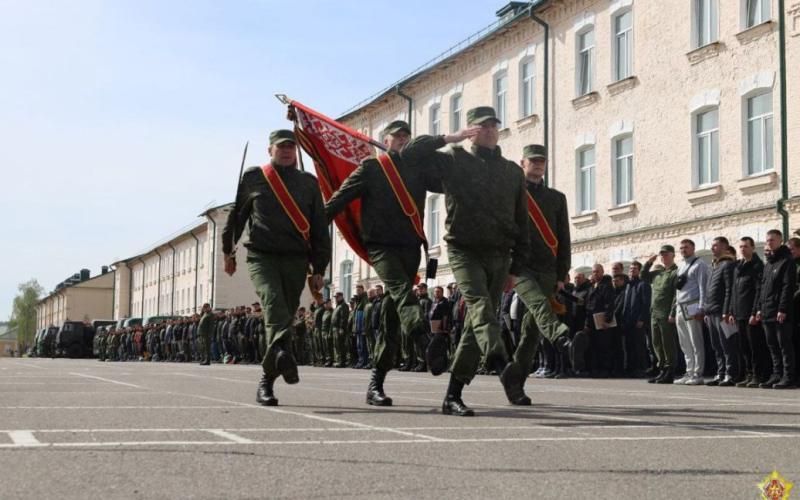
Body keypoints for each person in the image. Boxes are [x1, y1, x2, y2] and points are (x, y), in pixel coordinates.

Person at [401, 106, 531, 416]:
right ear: (470, 130)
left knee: (475, 327)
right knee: (481, 309)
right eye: (481, 126)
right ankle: (502, 365)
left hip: (500, 255)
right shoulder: (454, 160)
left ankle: (452, 396)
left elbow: (522, 222)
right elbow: (408, 156)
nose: (489, 130)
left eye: (493, 126)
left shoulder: (512, 171)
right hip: (464, 250)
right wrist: (448, 138)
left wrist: (516, 266)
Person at [325, 120, 445, 405]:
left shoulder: (417, 169)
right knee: (404, 294)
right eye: (398, 136)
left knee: (392, 318)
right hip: (381, 247)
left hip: (410, 247)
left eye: (407, 136)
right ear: (386, 140)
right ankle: (425, 339)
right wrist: (313, 229)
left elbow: (448, 182)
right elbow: (340, 198)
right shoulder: (372, 168)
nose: (403, 140)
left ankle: (375, 384)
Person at [222, 129, 330, 406]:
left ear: (295, 152)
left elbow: (319, 227)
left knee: (284, 316)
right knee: (272, 303)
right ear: (270, 150)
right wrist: (227, 251)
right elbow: (237, 216)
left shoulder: (308, 183)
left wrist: (319, 267)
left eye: (291, 147)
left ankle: (267, 380)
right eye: (280, 147)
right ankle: (282, 352)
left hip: (296, 259)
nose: (286, 151)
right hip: (262, 256)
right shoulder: (255, 177)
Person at [510, 144, 576, 403]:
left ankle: (515, 383)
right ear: (523, 163)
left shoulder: (556, 198)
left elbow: (564, 238)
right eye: (533, 160)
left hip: (548, 269)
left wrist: (562, 273)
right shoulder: (513, 194)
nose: (538, 164)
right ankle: (561, 337)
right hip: (520, 266)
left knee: (530, 333)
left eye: (542, 161)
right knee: (538, 305)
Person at [754, 230, 797, 389]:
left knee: (784, 345)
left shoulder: (787, 261)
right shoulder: (769, 263)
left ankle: (788, 376)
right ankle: (777, 374)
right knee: (772, 345)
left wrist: (783, 308)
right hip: (767, 311)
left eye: (772, 240)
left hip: (780, 312)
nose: (769, 243)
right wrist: (759, 308)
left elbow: (788, 287)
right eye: (767, 240)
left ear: (780, 241)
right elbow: (763, 288)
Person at [673, 239, 709, 386]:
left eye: (686, 247)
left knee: (696, 340)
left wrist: (702, 307)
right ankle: (689, 371)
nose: (683, 250)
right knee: (684, 342)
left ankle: (698, 373)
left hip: (693, 305)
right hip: (680, 306)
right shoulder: (681, 266)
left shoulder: (700, 265)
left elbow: (703, 287)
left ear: (693, 248)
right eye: (681, 248)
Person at [642, 245, 680, 384]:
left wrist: (673, 312)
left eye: (666, 254)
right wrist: (649, 262)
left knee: (667, 342)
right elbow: (643, 276)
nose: (664, 257)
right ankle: (662, 369)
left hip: (666, 312)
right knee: (656, 342)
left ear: (672, 255)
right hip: (655, 312)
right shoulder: (657, 273)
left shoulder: (676, 272)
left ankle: (670, 370)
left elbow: (677, 294)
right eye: (662, 254)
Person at [733, 237, 768, 387]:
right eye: (741, 247)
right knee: (744, 347)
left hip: (750, 313)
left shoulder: (757, 266)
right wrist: (730, 311)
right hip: (739, 313)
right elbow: (734, 291)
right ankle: (748, 373)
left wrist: (755, 311)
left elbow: (758, 290)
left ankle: (757, 374)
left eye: (746, 247)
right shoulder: (738, 266)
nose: (743, 249)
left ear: (752, 248)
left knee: (755, 347)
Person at [704, 237, 738, 386]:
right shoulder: (713, 266)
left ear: (724, 247)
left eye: (715, 246)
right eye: (712, 246)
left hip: (722, 312)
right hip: (711, 311)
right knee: (716, 345)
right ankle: (721, 372)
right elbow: (708, 290)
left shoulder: (728, 264)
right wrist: (706, 310)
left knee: (727, 344)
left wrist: (727, 310)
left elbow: (729, 289)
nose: (712, 249)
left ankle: (730, 374)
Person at [582, 264, 615, 377]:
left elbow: (609, 304)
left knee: (604, 346)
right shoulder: (592, 287)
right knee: (594, 346)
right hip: (592, 320)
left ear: (602, 272)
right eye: (593, 272)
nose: (595, 274)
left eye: (597, 271)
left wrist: (607, 320)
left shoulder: (606, 286)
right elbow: (588, 306)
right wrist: (587, 323)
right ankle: (595, 369)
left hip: (602, 321)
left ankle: (606, 369)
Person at [621, 261, 651, 378]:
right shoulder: (628, 285)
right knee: (629, 346)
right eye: (631, 269)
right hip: (628, 322)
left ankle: (641, 368)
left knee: (639, 346)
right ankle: (631, 368)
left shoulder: (643, 285)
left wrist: (641, 319)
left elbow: (646, 304)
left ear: (639, 271)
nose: (632, 270)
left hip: (638, 322)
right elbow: (626, 304)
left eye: (635, 269)